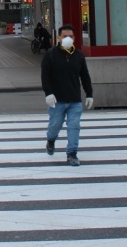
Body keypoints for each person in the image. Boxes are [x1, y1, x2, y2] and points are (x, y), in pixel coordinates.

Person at [40, 24, 93, 167]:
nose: (68, 38)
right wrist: (48, 93)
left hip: (75, 99)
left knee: (74, 126)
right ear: (58, 38)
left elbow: (85, 76)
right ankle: (51, 140)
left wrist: (89, 94)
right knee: (55, 126)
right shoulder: (51, 55)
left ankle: (72, 153)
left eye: (70, 36)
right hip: (57, 100)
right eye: (65, 36)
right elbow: (45, 76)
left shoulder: (79, 56)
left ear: (75, 38)